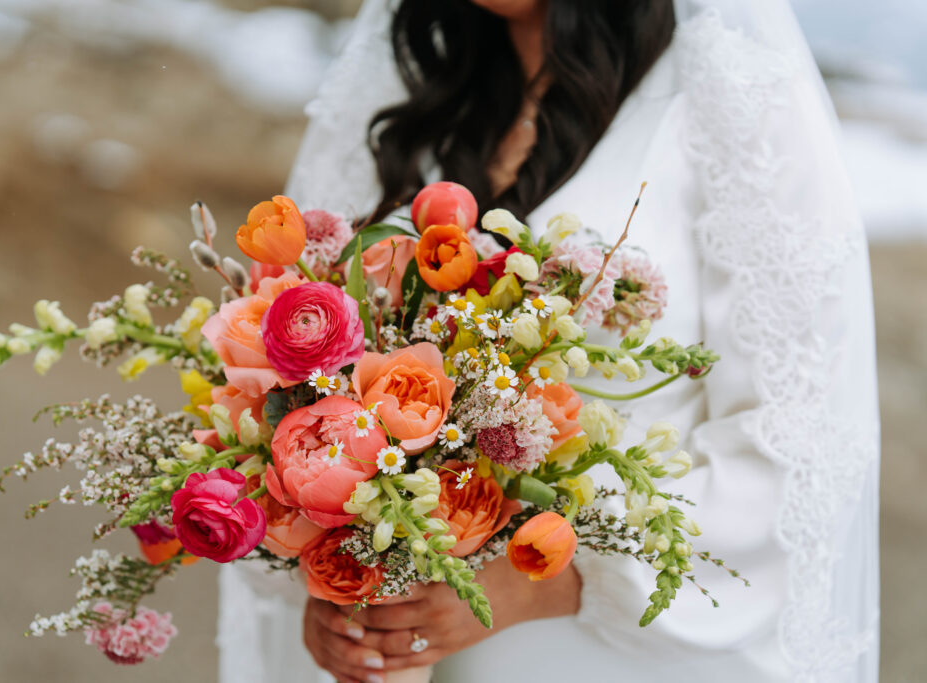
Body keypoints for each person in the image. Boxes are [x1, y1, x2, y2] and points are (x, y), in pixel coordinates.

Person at [218, 1, 881, 681]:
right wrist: (332, 587)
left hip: (627, 647)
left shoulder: (738, 100)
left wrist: (542, 585)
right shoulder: (427, 97)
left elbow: (804, 436)